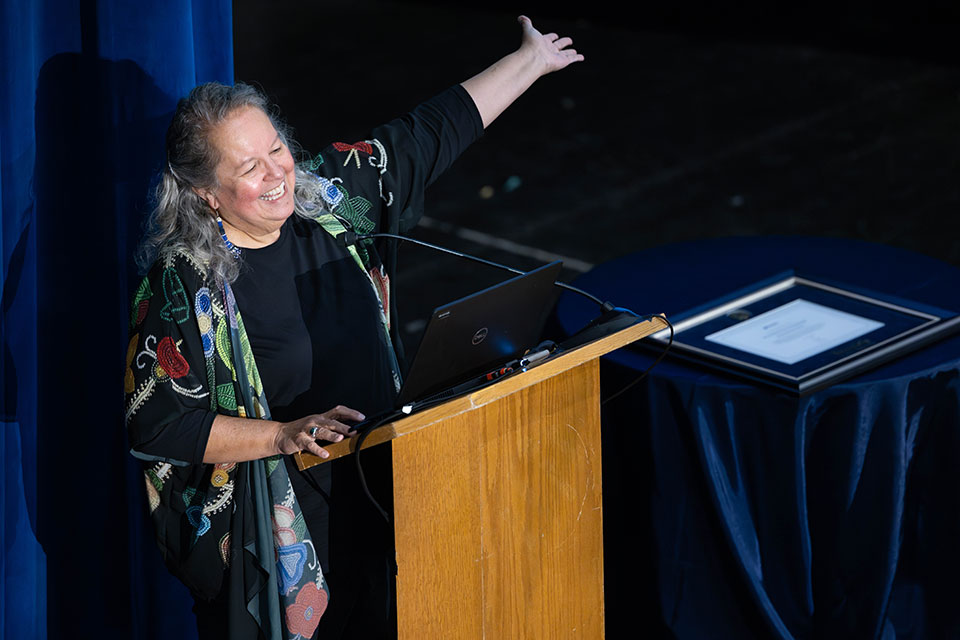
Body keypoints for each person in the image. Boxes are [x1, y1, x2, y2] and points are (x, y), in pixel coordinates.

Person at [125, 15, 583, 640]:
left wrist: (530, 60)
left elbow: (427, 135)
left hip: (388, 489)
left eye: (277, 149)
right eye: (250, 168)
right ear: (206, 193)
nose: (278, 174)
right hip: (279, 527)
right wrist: (284, 434)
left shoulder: (329, 200)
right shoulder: (184, 285)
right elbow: (159, 424)